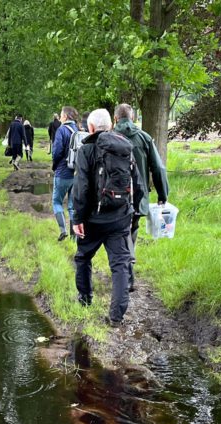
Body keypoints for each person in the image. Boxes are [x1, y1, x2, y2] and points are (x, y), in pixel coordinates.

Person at [71, 108, 144, 327]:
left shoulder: (86, 149)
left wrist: (77, 219)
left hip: (93, 219)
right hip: (120, 217)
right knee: (120, 265)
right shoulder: (124, 148)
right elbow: (137, 183)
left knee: (83, 257)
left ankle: (85, 299)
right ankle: (116, 316)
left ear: (90, 128)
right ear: (110, 126)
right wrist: (133, 213)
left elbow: (81, 188)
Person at [113, 103, 169, 292]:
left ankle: (126, 271)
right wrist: (163, 195)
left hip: (111, 196)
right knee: (131, 229)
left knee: (119, 233)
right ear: (134, 118)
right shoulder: (144, 138)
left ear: (115, 119)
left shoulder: (107, 138)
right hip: (138, 196)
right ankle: (129, 263)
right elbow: (159, 168)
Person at [51, 106, 80, 242]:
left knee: (56, 201)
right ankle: (74, 237)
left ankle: (63, 230)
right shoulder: (78, 131)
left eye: (62, 114)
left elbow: (56, 152)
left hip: (63, 172)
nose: (60, 117)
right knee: (72, 206)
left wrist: (55, 165)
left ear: (66, 116)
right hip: (76, 173)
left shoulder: (61, 130)